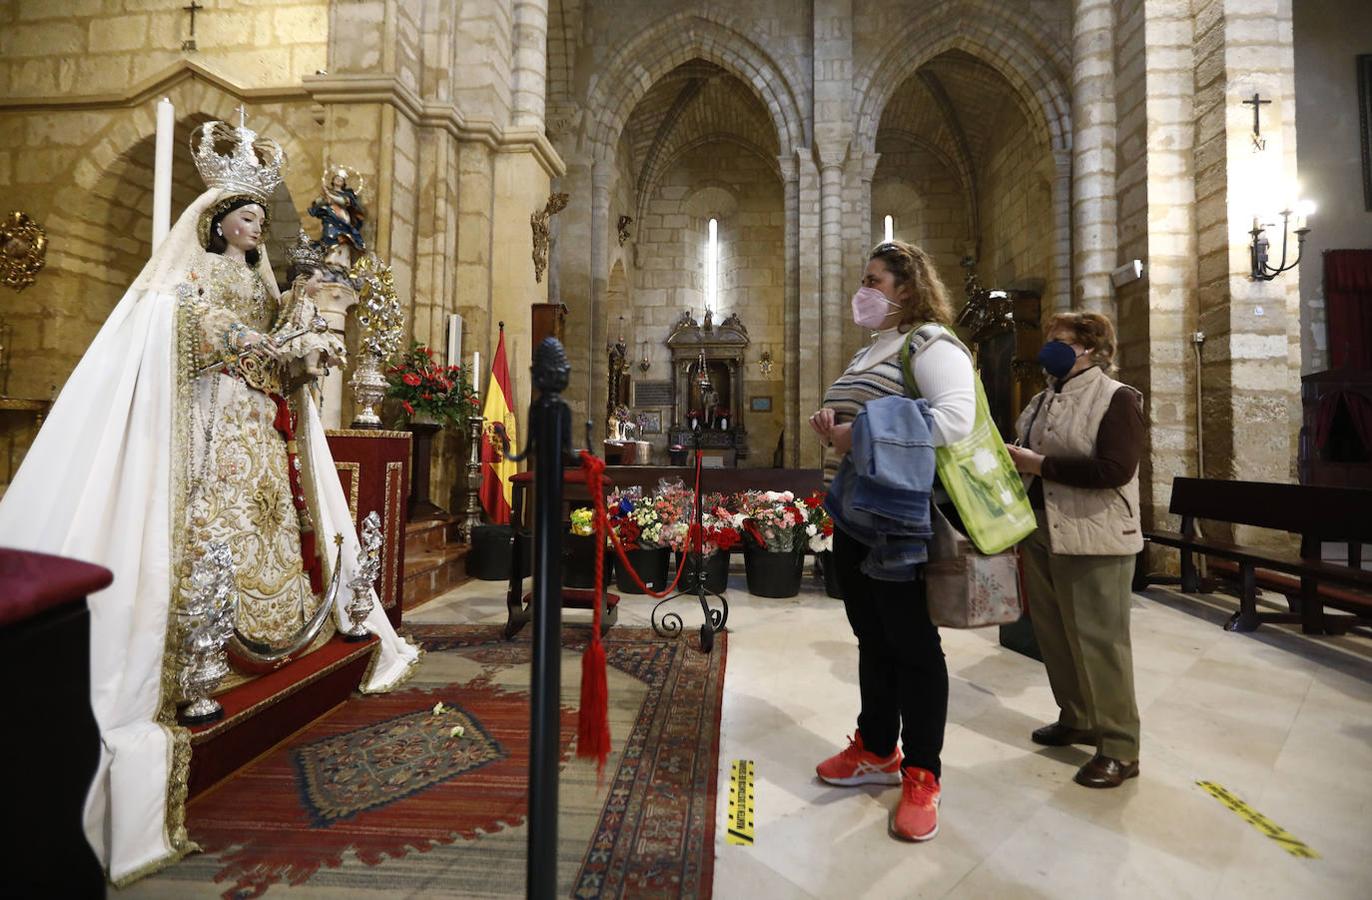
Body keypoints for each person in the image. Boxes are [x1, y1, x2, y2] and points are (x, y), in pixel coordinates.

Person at [0, 118, 417, 883]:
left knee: (271, 522)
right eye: (247, 217)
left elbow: (269, 322)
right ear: (219, 221)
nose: (256, 229)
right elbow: (204, 327)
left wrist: (299, 329)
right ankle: (202, 651)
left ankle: (281, 626)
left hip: (259, 419)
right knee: (218, 519)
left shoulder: (260, 276)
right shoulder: (193, 279)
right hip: (215, 414)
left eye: (261, 220)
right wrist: (264, 345)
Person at [808, 240, 976, 842]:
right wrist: (835, 429)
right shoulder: (870, 349)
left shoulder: (931, 344)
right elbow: (865, 421)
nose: (865, 289)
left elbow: (957, 419)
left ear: (906, 288)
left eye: (874, 280)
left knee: (912, 646)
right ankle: (877, 747)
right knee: (872, 638)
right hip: (858, 513)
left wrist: (860, 432)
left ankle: (923, 772)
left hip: (902, 518)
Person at [1005, 311, 1144, 789]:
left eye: (1060, 341)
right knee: (1056, 634)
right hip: (1044, 529)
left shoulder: (1116, 398)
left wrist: (1039, 464)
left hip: (1096, 536)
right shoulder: (1045, 398)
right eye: (1048, 339)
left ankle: (1121, 748)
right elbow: (1027, 453)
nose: (1050, 349)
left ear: (1090, 349)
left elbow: (1114, 470)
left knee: (1100, 642)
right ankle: (1079, 717)